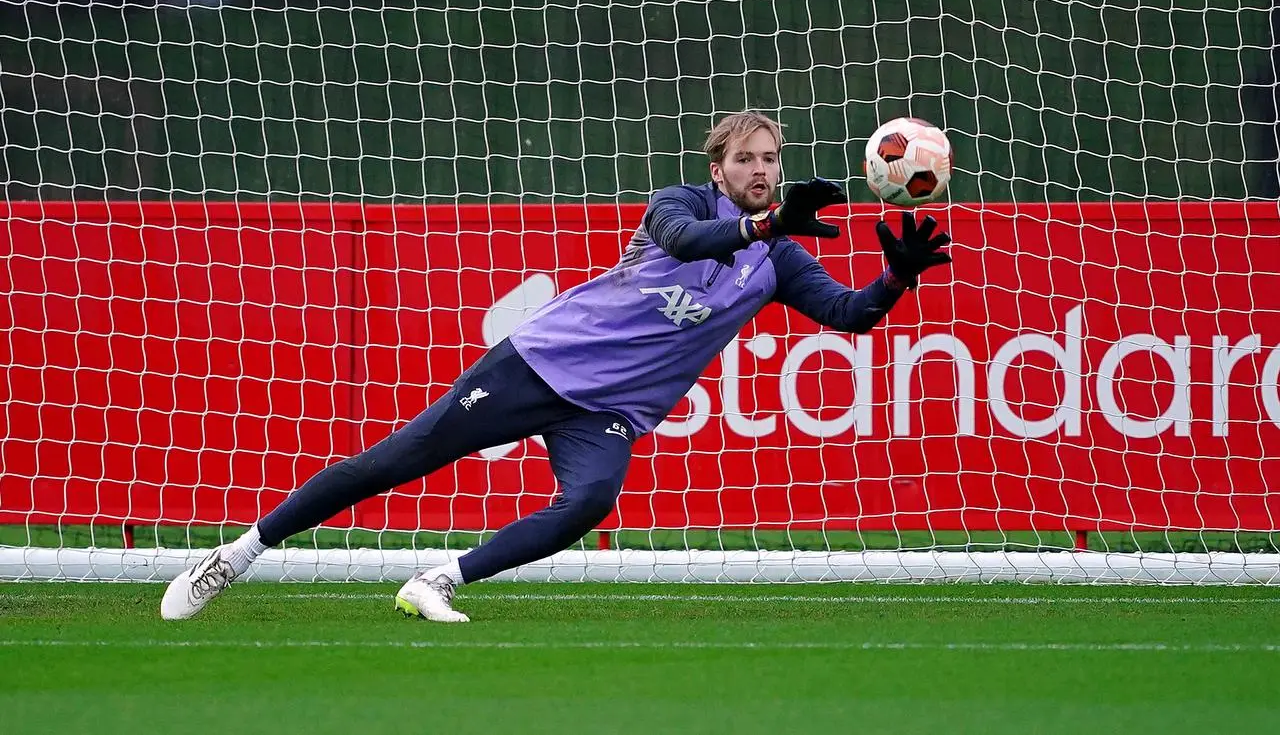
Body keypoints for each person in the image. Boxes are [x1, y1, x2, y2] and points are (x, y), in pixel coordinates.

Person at [160, 111, 952, 622]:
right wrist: (768, 223)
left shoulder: (776, 256)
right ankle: (236, 555)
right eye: (745, 160)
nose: (759, 171)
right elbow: (687, 244)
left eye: (770, 160)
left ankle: (438, 580)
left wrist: (898, 276)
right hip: (538, 366)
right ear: (718, 171)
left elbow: (850, 314)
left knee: (591, 501)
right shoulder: (676, 204)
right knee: (391, 462)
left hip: (607, 414)